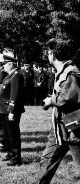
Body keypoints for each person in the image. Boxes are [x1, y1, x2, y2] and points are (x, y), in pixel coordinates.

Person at [34, 42, 80, 183]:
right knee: (48, 159)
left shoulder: (69, 72)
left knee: (50, 160)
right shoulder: (65, 70)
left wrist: (51, 101)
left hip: (73, 127)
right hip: (63, 126)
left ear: (53, 54)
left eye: (48, 52)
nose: (47, 55)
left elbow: (69, 96)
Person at [0, 50, 25, 166]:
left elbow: (15, 95)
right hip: (5, 109)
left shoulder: (16, 76)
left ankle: (16, 157)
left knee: (13, 134)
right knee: (7, 133)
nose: (3, 66)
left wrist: (12, 111)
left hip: (11, 110)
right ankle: (9, 153)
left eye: (4, 64)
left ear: (11, 64)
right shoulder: (10, 75)